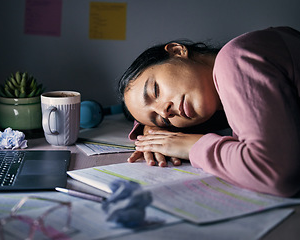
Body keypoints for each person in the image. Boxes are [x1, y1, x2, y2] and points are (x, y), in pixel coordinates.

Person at [118, 26, 300, 197]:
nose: (165, 112)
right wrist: (152, 131)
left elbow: (276, 173)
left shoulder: (235, 58)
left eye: (155, 90)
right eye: (161, 120)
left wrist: (189, 146)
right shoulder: (223, 98)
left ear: (177, 51)